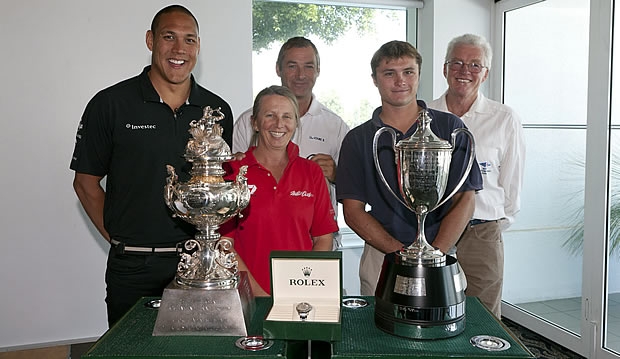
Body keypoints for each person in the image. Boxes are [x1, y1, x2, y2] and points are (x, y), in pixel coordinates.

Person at [70, 5, 234, 326]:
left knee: (196, 352)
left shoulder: (216, 111)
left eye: (189, 40)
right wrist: (123, 241)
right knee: (130, 350)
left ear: (198, 46)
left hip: (198, 262)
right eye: (168, 37)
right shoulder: (110, 104)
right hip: (132, 268)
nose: (179, 50)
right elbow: (85, 183)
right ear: (150, 40)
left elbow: (216, 193)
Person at [336, 40, 483, 296]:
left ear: (419, 75)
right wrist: (402, 256)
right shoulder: (357, 139)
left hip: (442, 254)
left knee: (443, 331)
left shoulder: (451, 129)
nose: (400, 81)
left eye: (408, 72)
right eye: (389, 73)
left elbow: (465, 198)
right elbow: (353, 211)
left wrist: (434, 254)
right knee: (379, 333)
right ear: (375, 79)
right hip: (382, 256)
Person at [428, 34, 526, 318]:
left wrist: (493, 223)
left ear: (485, 73)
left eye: (474, 65)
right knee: (434, 309)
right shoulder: (424, 116)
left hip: (482, 230)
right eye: (456, 62)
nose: (464, 71)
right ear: (444, 69)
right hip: (432, 228)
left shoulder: (504, 118)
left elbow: (512, 181)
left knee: (484, 314)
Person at [232, 37, 349, 248]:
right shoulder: (246, 121)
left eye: (308, 66)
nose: (301, 75)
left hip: (317, 246)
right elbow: (234, 183)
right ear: (278, 68)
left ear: (318, 70)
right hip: (254, 247)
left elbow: (353, 190)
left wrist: (336, 174)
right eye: (292, 66)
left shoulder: (336, 125)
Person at [221, 85, 338, 296]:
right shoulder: (233, 170)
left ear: (295, 123)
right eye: (270, 115)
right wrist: (259, 296)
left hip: (301, 296)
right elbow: (224, 244)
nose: (279, 124)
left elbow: (323, 238)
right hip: (246, 298)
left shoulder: (311, 172)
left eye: (287, 116)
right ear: (255, 122)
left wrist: (302, 289)